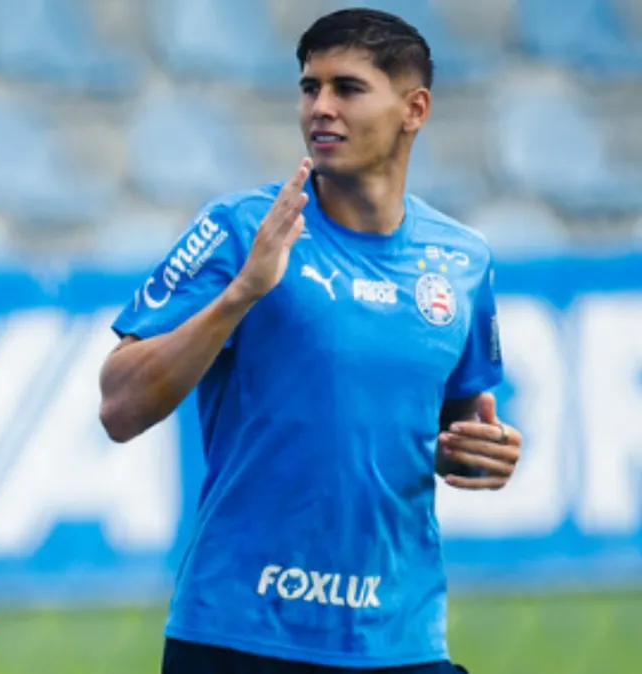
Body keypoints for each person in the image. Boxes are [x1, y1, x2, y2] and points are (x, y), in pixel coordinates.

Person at [99, 8, 523, 674]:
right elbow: (118, 406)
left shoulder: (463, 260)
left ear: (415, 109)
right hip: (241, 634)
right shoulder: (243, 229)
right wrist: (242, 292)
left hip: (399, 639)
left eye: (347, 88)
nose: (320, 108)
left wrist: (481, 455)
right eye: (309, 88)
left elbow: (457, 428)